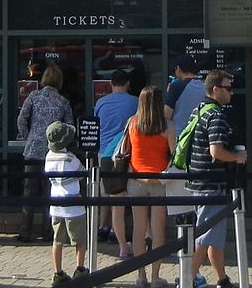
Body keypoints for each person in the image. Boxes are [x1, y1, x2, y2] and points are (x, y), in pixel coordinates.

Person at [186, 70, 246, 288]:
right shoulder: (216, 115)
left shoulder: (199, 110)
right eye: (228, 88)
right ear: (216, 89)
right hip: (211, 185)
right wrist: (237, 157)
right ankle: (186, 279)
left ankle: (222, 278)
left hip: (198, 182)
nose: (232, 93)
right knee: (204, 237)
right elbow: (216, 151)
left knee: (213, 236)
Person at [16, 63, 73, 242]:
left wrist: (28, 137)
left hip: (32, 150)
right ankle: (48, 232)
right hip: (53, 153)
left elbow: (21, 119)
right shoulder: (63, 102)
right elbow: (70, 128)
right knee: (50, 193)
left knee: (29, 192)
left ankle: (25, 231)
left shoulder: (34, 96)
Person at [127, 86, 176, 288]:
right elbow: (174, 156)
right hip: (158, 181)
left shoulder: (132, 122)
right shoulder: (167, 126)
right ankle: (156, 277)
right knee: (158, 230)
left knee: (139, 229)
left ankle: (141, 276)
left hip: (136, 180)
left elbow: (128, 151)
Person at [94, 68, 139, 257]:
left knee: (107, 194)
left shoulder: (101, 103)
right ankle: (117, 232)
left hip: (104, 152)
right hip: (125, 153)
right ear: (128, 84)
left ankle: (102, 226)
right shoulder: (135, 102)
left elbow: (96, 124)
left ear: (111, 84)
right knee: (123, 196)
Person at [44, 120, 88, 288]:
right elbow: (82, 173)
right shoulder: (70, 158)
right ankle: (80, 269)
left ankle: (58, 272)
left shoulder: (48, 157)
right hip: (74, 205)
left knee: (57, 240)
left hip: (56, 204)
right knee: (80, 240)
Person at [165, 55, 205, 132]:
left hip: (180, 134)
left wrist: (169, 94)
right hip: (199, 133)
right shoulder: (204, 86)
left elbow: (166, 115)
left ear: (178, 68)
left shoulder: (175, 86)